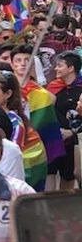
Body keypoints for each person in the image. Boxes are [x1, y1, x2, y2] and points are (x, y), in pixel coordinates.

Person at [46, 52, 82, 189]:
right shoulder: (53, 87)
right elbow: (46, 112)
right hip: (54, 140)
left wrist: (71, 132)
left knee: (69, 176)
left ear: (71, 68)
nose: (56, 69)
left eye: (60, 66)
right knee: (50, 173)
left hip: (74, 142)